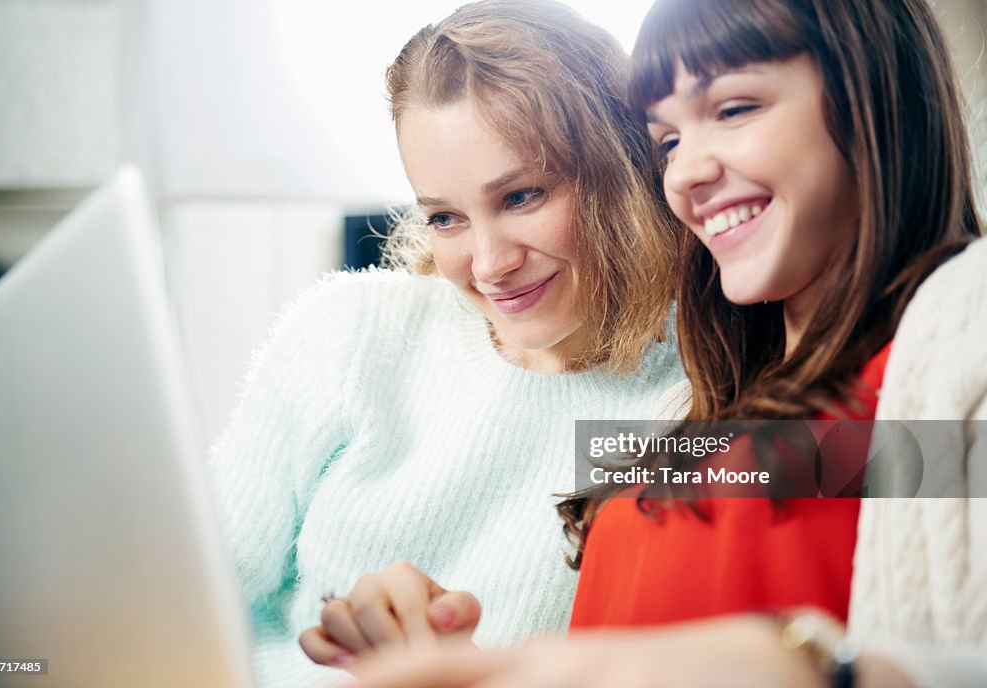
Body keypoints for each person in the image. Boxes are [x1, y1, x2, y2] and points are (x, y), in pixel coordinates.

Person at [350, 0, 987, 686]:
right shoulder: (700, 404)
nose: (684, 174)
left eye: (734, 109)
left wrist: (813, 666)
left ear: (876, 98)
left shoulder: (950, 358)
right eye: (667, 143)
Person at [208, 2, 686, 686]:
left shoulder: (702, 396)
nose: (488, 264)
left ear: (624, 167)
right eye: (445, 217)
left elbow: (890, 477)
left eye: (522, 196)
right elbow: (184, 609)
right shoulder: (350, 334)